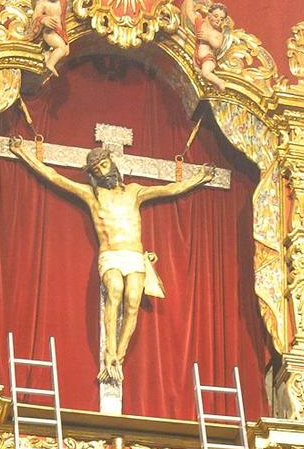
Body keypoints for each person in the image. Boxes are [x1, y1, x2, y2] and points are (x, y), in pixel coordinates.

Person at [12, 138, 214, 380]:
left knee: (132, 299)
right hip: (110, 254)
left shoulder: (134, 192)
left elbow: (169, 189)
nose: (102, 171)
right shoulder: (92, 195)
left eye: (104, 165)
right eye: (96, 170)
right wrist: (23, 153)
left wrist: (199, 177)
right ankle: (109, 350)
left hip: (134, 255)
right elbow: (55, 177)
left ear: (112, 163)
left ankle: (119, 354)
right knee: (116, 289)